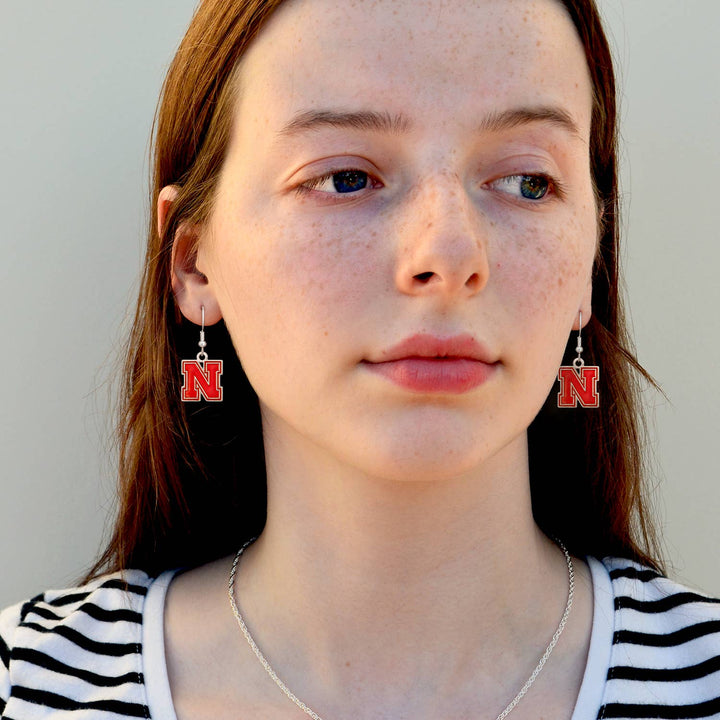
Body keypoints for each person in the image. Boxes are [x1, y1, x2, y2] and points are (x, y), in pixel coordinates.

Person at [1, 0, 718, 718]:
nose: (447, 254)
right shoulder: (22, 687)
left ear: (589, 261)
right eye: (346, 178)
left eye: (529, 182)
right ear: (193, 264)